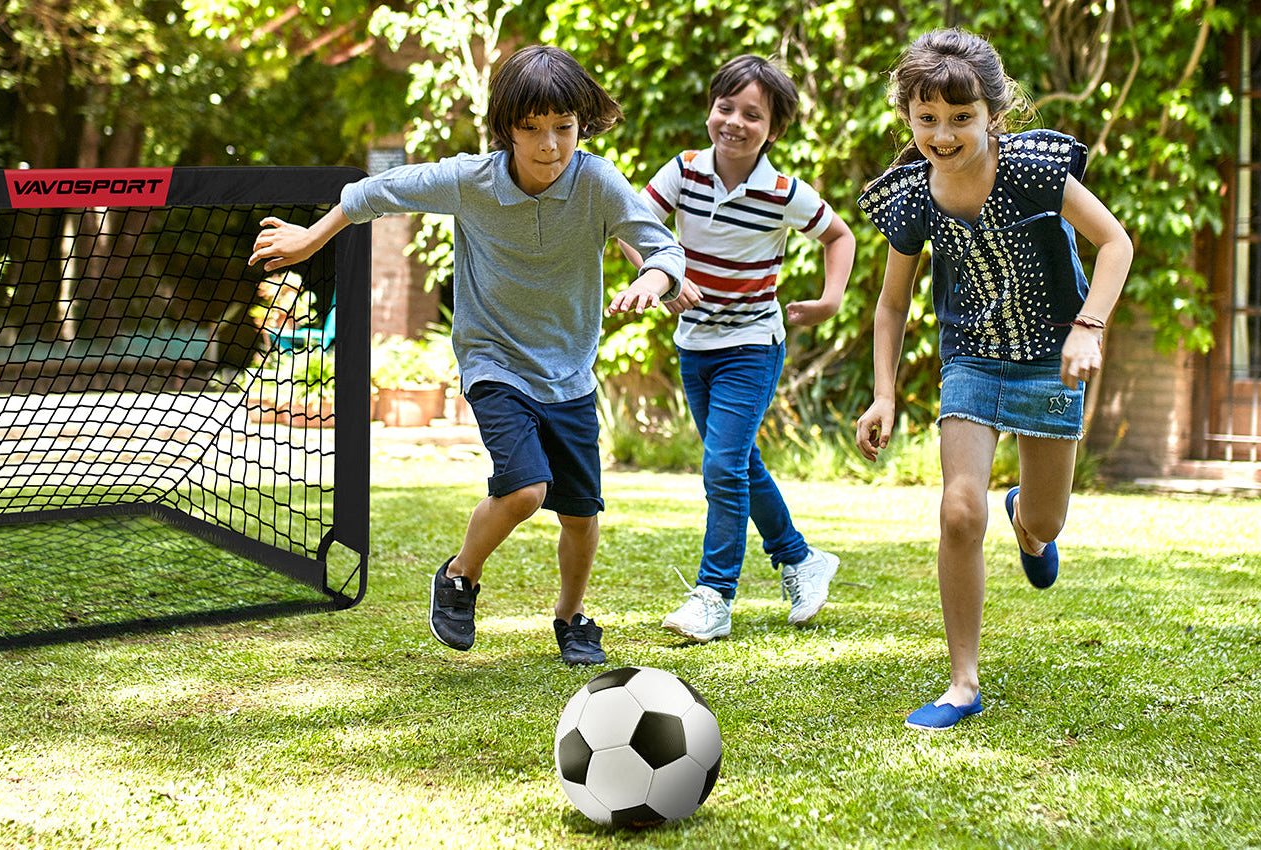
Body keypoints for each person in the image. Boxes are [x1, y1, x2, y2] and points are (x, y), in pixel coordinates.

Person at [248, 45, 686, 667]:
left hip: (569, 373)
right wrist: (311, 237)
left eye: (563, 128)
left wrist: (656, 279)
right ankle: (459, 575)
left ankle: (571, 617)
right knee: (526, 490)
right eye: (531, 129)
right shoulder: (470, 181)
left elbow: (661, 246)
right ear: (506, 128)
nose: (549, 146)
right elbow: (375, 191)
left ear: (580, 124)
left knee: (582, 515)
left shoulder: (597, 182)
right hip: (494, 361)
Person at [853, 29, 1132, 730]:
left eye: (960, 118)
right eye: (926, 120)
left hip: (1051, 353)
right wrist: (884, 392)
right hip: (970, 359)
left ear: (993, 111)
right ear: (907, 117)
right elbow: (891, 304)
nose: (942, 135)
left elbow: (1114, 244)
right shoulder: (912, 199)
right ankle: (962, 683)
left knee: (1043, 519)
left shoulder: (1035, 170)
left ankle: (1028, 529)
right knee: (957, 510)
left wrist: (1088, 327)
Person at [620, 54, 855, 641]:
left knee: (723, 464)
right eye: (726, 107)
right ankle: (801, 559)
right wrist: (658, 276)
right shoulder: (683, 171)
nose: (735, 122)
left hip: (752, 344)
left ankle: (714, 595)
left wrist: (828, 300)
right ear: (710, 111)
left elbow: (839, 235)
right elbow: (631, 223)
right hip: (695, 343)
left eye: (752, 115)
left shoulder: (782, 191)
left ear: (772, 130)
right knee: (740, 462)